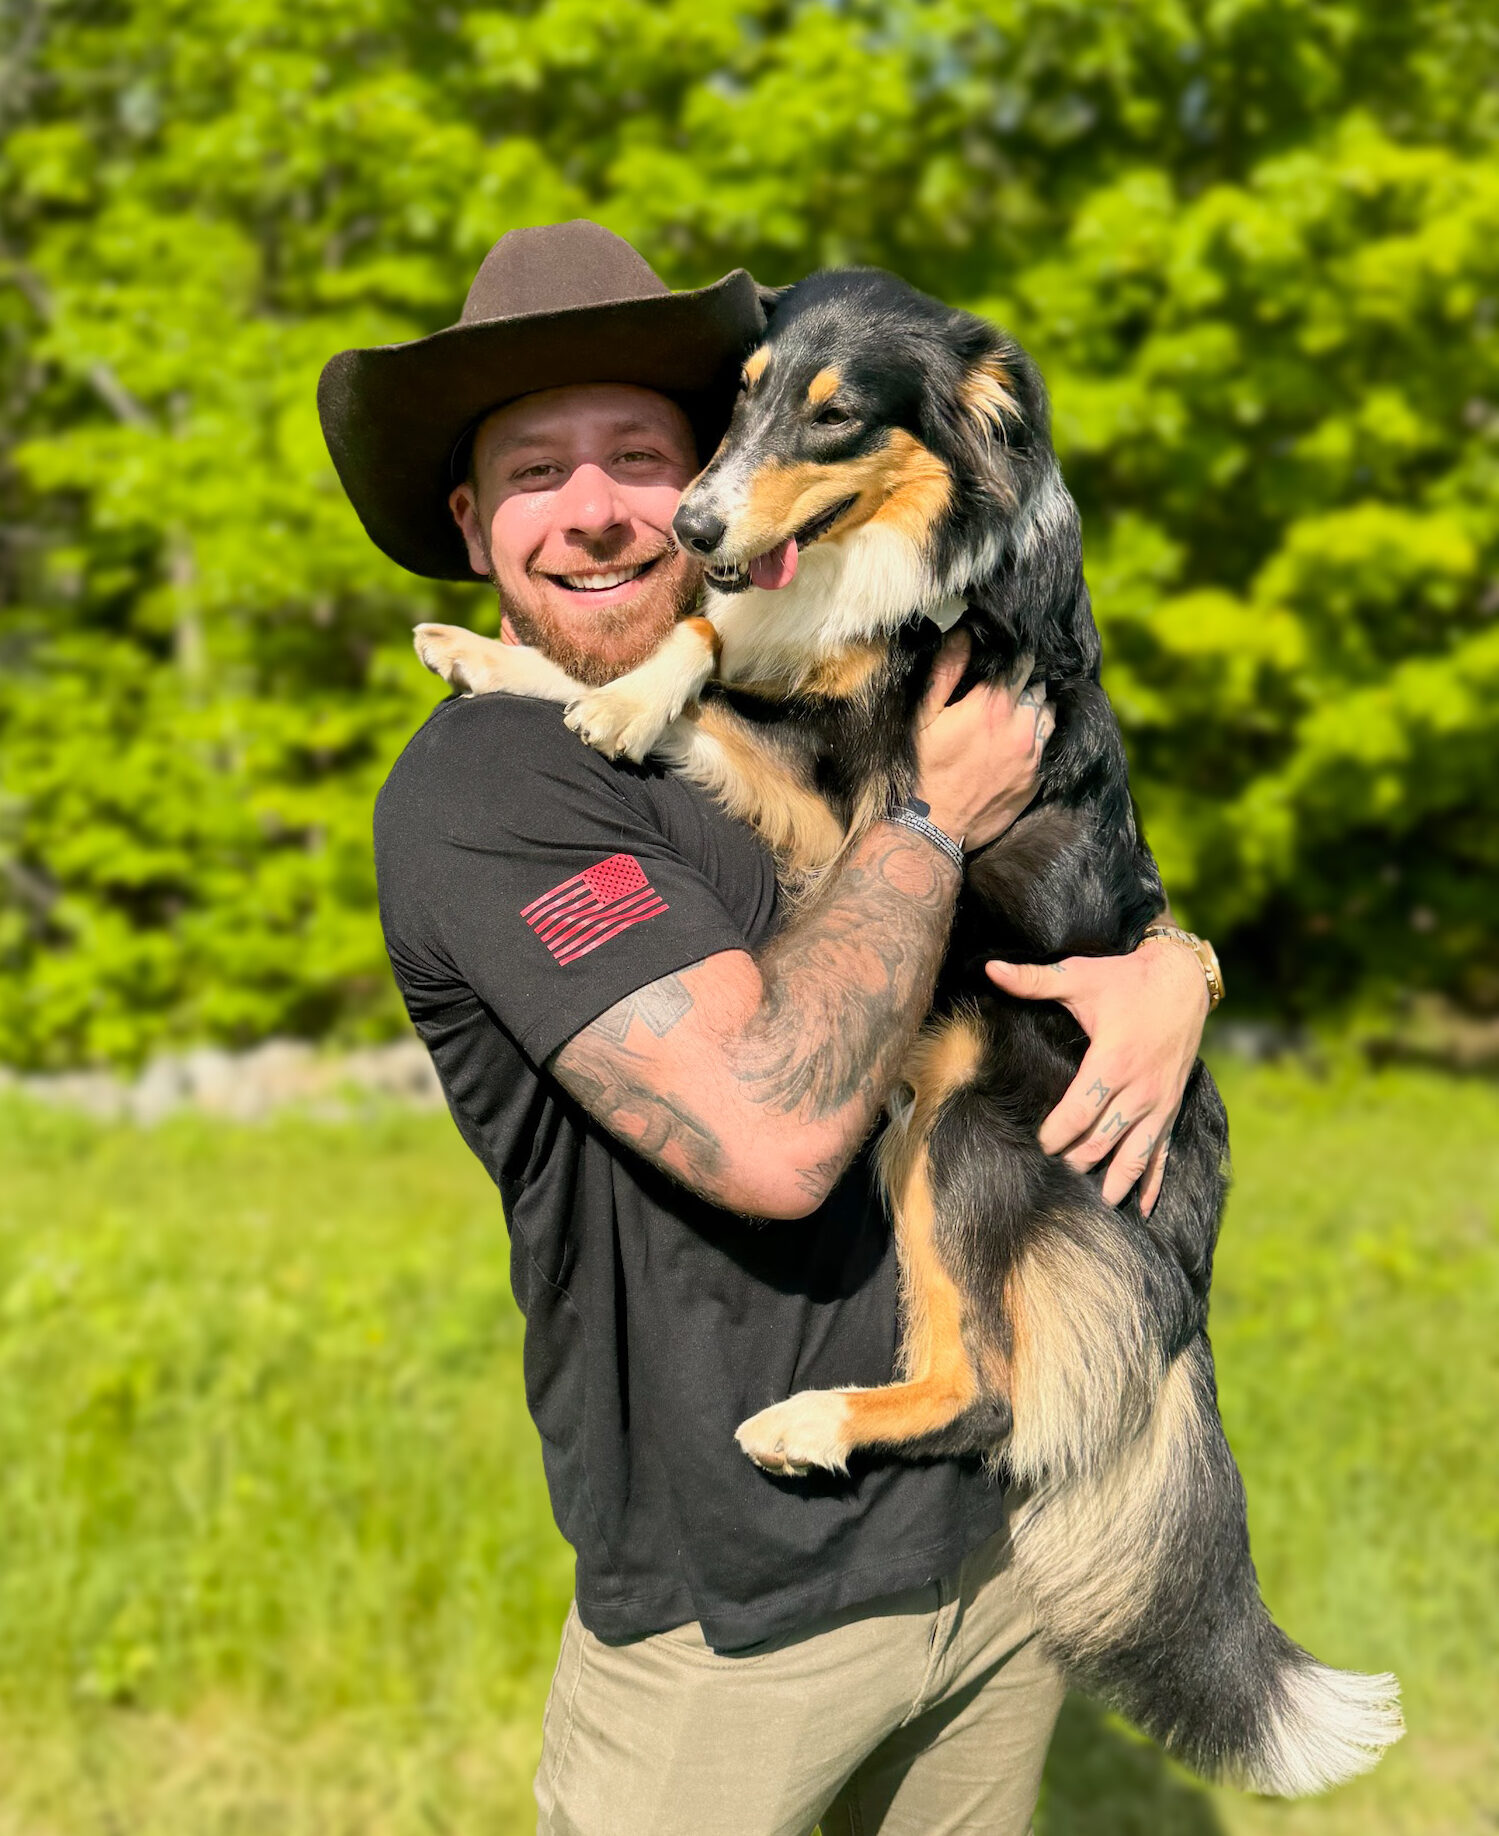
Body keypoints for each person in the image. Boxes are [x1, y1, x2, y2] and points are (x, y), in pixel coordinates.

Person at [320, 221, 1215, 1836]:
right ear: (468, 526)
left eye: (638, 457)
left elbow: (1057, 875)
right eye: (536, 472)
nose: (598, 508)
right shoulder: (486, 794)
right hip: (736, 1622)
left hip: (981, 1555)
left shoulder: (806, 677)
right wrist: (933, 823)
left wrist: (1177, 963)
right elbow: (778, 1129)